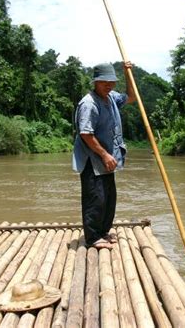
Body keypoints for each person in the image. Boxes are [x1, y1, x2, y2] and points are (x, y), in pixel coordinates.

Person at [72, 62, 136, 249]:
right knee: (95, 198)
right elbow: (85, 134)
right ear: (95, 82)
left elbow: (132, 97)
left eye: (112, 82)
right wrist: (105, 155)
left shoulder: (111, 97)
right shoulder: (89, 104)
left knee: (108, 199)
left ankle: (103, 232)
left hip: (108, 159)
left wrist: (127, 73)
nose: (109, 85)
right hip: (93, 159)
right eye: (104, 82)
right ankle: (93, 237)